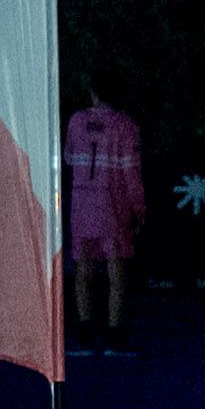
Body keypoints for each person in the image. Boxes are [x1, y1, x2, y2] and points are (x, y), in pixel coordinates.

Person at [65, 84, 144, 339]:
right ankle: (114, 330)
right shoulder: (125, 125)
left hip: (81, 205)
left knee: (83, 268)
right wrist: (139, 208)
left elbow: (68, 157)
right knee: (115, 270)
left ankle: (85, 328)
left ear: (93, 93)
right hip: (113, 207)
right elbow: (132, 174)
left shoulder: (76, 121)